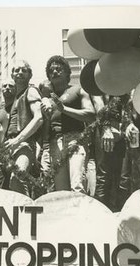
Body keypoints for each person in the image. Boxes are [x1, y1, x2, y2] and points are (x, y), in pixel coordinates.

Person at [41, 55, 95, 193]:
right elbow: (45, 132)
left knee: (77, 185)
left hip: (75, 140)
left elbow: (90, 115)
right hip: (55, 144)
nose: (54, 72)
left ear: (67, 72)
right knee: (61, 192)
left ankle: (82, 214)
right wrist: (46, 118)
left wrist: (63, 109)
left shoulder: (77, 89)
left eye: (59, 69)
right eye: (51, 71)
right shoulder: (48, 100)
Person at [2, 60, 44, 196]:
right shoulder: (15, 98)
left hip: (24, 144)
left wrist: (18, 140)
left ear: (30, 75)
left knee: (17, 176)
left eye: (24, 70)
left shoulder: (30, 91)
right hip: (10, 147)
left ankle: (25, 213)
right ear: (12, 75)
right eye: (17, 70)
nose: (20, 73)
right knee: (10, 185)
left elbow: (39, 118)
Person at [92, 95, 127, 211]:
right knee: (104, 177)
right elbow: (98, 104)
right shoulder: (100, 81)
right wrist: (106, 127)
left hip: (126, 129)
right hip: (106, 129)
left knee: (124, 178)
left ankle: (122, 213)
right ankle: (101, 216)